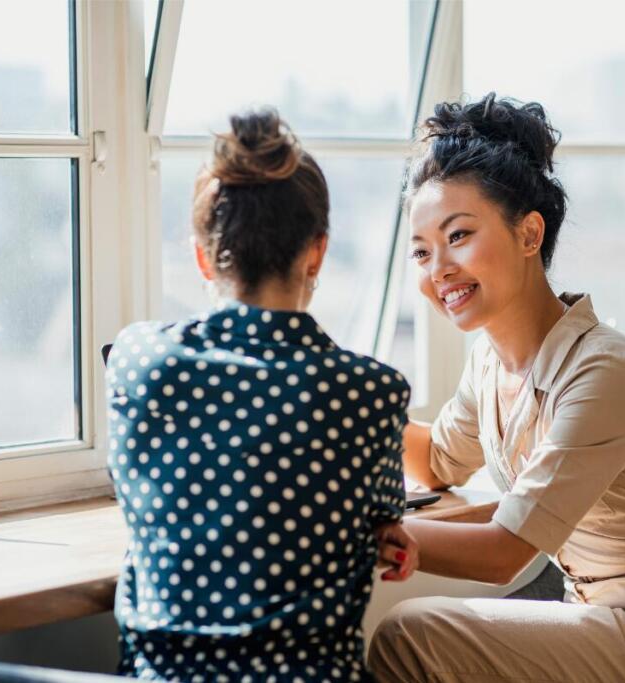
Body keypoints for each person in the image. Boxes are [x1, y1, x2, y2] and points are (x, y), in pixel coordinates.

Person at [368, 93, 625, 683]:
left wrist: (355, 532)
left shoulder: (603, 369)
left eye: (459, 236)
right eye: (422, 252)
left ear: (530, 235)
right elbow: (440, 462)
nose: (438, 269)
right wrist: (351, 401)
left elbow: (505, 553)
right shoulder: (489, 365)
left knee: (411, 634)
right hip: (603, 621)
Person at [106, 109, 418, 683]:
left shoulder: (136, 360)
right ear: (316, 253)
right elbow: (382, 521)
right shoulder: (372, 392)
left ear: (204, 256)